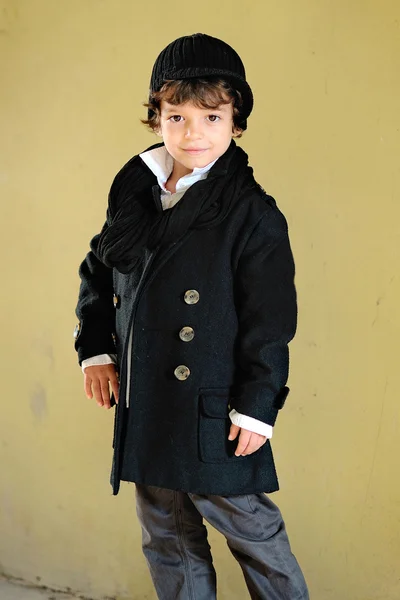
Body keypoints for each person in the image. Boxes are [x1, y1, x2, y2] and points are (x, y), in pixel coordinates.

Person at [74, 33, 309, 600]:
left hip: (213, 405)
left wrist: (256, 407)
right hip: (149, 398)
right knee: (166, 535)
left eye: (210, 116)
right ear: (156, 117)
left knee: (254, 532)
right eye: (175, 115)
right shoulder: (136, 192)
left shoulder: (252, 212)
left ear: (237, 122)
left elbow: (270, 319)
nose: (191, 133)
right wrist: (98, 351)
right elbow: (98, 271)